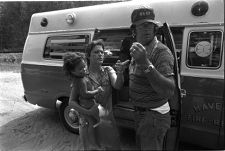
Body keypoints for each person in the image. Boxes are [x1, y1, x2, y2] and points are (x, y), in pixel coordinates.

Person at [129, 6, 176, 150]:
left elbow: (169, 90)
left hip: (153, 116)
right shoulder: (139, 48)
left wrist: (145, 63)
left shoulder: (161, 52)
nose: (147, 29)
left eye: (150, 25)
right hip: (143, 114)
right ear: (134, 30)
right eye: (142, 26)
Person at [86, 39, 129, 150]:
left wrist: (120, 72)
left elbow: (117, 85)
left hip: (108, 121)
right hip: (90, 122)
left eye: (102, 52)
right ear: (88, 55)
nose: (100, 54)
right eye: (96, 52)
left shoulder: (108, 70)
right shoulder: (83, 75)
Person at [63, 52, 103, 150]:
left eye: (84, 66)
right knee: (90, 138)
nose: (84, 69)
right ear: (72, 72)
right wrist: (96, 91)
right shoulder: (78, 82)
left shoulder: (83, 77)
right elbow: (79, 97)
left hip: (91, 111)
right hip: (86, 113)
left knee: (96, 131)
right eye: (80, 69)